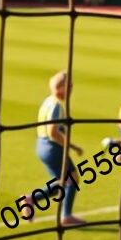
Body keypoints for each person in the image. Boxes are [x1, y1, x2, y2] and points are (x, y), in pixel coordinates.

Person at [33, 72, 85, 227]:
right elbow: (53, 132)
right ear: (61, 88)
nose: (71, 89)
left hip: (42, 145)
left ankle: (30, 200)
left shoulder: (48, 101)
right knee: (73, 179)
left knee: (60, 183)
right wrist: (68, 146)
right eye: (70, 86)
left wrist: (72, 146)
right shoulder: (56, 105)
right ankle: (66, 216)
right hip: (52, 148)